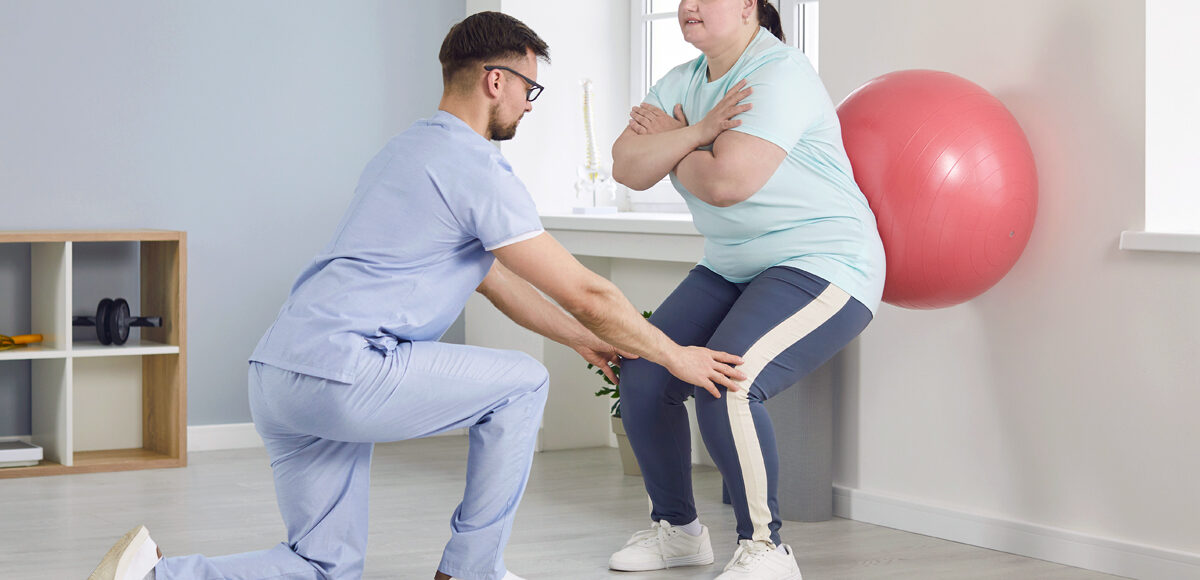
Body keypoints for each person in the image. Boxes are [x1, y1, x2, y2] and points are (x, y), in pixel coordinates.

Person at [88, 11, 746, 580]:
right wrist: (674, 357)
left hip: (279, 375)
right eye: (529, 87)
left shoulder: (405, 153)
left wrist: (582, 340)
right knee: (521, 385)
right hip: (346, 371)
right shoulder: (476, 167)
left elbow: (494, 281)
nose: (527, 104)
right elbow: (588, 290)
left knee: (324, 564)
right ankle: (472, 569)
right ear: (496, 80)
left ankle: (155, 574)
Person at [607, 0, 886, 578]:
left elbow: (729, 183)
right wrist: (703, 133)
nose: (686, 6)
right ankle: (679, 532)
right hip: (732, 266)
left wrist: (678, 140)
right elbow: (628, 168)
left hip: (824, 262)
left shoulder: (776, 73)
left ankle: (765, 547)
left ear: (747, 6)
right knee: (642, 369)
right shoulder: (679, 81)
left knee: (727, 382)